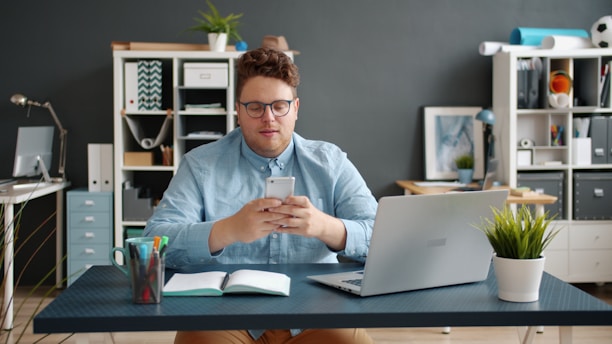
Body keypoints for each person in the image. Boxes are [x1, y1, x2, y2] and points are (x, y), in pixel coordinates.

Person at [144, 47, 378, 344]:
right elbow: (156, 240)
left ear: (295, 108)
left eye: (279, 106)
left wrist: (325, 227)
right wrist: (227, 230)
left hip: (316, 316)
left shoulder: (331, 162)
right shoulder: (200, 165)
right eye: (255, 107)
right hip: (224, 317)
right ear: (238, 111)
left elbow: (380, 236)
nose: (268, 118)